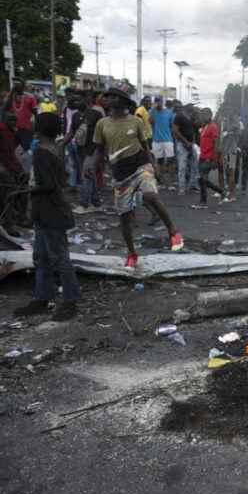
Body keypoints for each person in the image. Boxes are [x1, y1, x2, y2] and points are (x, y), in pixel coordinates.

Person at [92, 87, 184, 268]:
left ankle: (173, 231)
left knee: (150, 195)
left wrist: (154, 168)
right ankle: (132, 253)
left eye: (112, 97)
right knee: (125, 219)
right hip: (120, 174)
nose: (107, 99)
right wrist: (93, 169)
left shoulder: (136, 121)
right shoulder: (102, 124)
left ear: (122, 101)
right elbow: (99, 151)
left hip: (141, 166)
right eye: (106, 96)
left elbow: (146, 146)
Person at [13, 113, 80, 321]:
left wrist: (27, 191)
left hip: (50, 211)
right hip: (49, 210)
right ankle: (42, 298)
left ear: (40, 128)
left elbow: (49, 185)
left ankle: (70, 301)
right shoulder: (55, 148)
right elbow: (60, 181)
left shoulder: (42, 151)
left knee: (58, 258)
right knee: (42, 257)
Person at [0, 111, 30, 231]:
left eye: (14, 120)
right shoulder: (2, 130)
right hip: (4, 168)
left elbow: (12, 153)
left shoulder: (13, 132)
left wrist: (21, 170)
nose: (13, 123)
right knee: (9, 193)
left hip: (11, 165)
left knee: (23, 188)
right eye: (10, 120)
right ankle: (9, 223)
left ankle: (20, 216)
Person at [195, 108, 225, 208]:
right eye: (202, 114)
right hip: (202, 155)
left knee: (202, 179)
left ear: (210, 115)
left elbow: (216, 143)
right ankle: (220, 191)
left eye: (204, 114)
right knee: (201, 179)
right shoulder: (204, 126)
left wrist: (214, 159)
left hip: (208, 156)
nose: (202, 116)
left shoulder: (213, 127)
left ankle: (203, 200)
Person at [172, 102, 199, 195]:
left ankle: (193, 185)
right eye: (191, 107)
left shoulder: (191, 117)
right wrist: (185, 142)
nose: (193, 109)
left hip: (191, 144)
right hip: (182, 145)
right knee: (182, 167)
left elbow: (193, 131)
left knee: (194, 165)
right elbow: (175, 130)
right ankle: (182, 188)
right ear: (187, 107)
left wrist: (193, 142)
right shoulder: (179, 116)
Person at [3, 79, 37, 151]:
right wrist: (12, 92)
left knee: (28, 149)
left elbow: (35, 113)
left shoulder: (30, 97)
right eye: (14, 84)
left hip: (26, 129)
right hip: (13, 129)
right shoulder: (11, 97)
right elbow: (4, 108)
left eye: (18, 84)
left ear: (23, 86)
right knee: (9, 149)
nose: (16, 85)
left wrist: (36, 128)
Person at [150, 97, 175, 186]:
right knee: (159, 161)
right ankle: (161, 181)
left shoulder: (169, 112)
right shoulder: (152, 111)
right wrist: (153, 109)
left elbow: (172, 125)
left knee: (170, 160)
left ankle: (171, 182)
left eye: (159, 101)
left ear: (162, 102)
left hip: (168, 140)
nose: (158, 103)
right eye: (156, 101)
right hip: (156, 140)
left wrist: (173, 137)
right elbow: (150, 122)